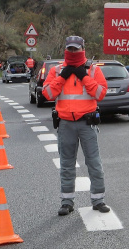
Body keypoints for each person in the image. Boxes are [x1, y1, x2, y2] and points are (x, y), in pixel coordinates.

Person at [42, 36, 110, 216]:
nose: (73, 52)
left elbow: (100, 93)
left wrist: (84, 76)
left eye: (76, 49)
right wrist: (63, 77)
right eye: (70, 49)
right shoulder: (57, 71)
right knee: (66, 164)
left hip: (87, 123)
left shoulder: (93, 70)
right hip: (65, 124)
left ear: (82, 49)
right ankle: (67, 202)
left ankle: (98, 200)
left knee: (94, 163)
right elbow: (48, 93)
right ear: (66, 49)